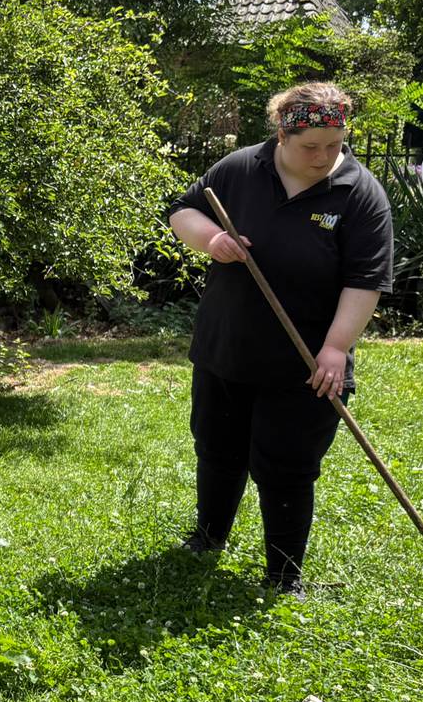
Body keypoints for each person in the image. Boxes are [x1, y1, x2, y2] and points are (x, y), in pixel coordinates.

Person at [168, 82, 393, 598]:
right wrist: (213, 239)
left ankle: (283, 573)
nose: (322, 157)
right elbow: (184, 210)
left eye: (333, 145)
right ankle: (208, 538)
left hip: (306, 361)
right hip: (227, 345)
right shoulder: (241, 168)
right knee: (218, 448)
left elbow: (366, 280)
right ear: (282, 135)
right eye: (309, 147)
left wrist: (336, 348)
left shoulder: (360, 194)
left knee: (286, 464)